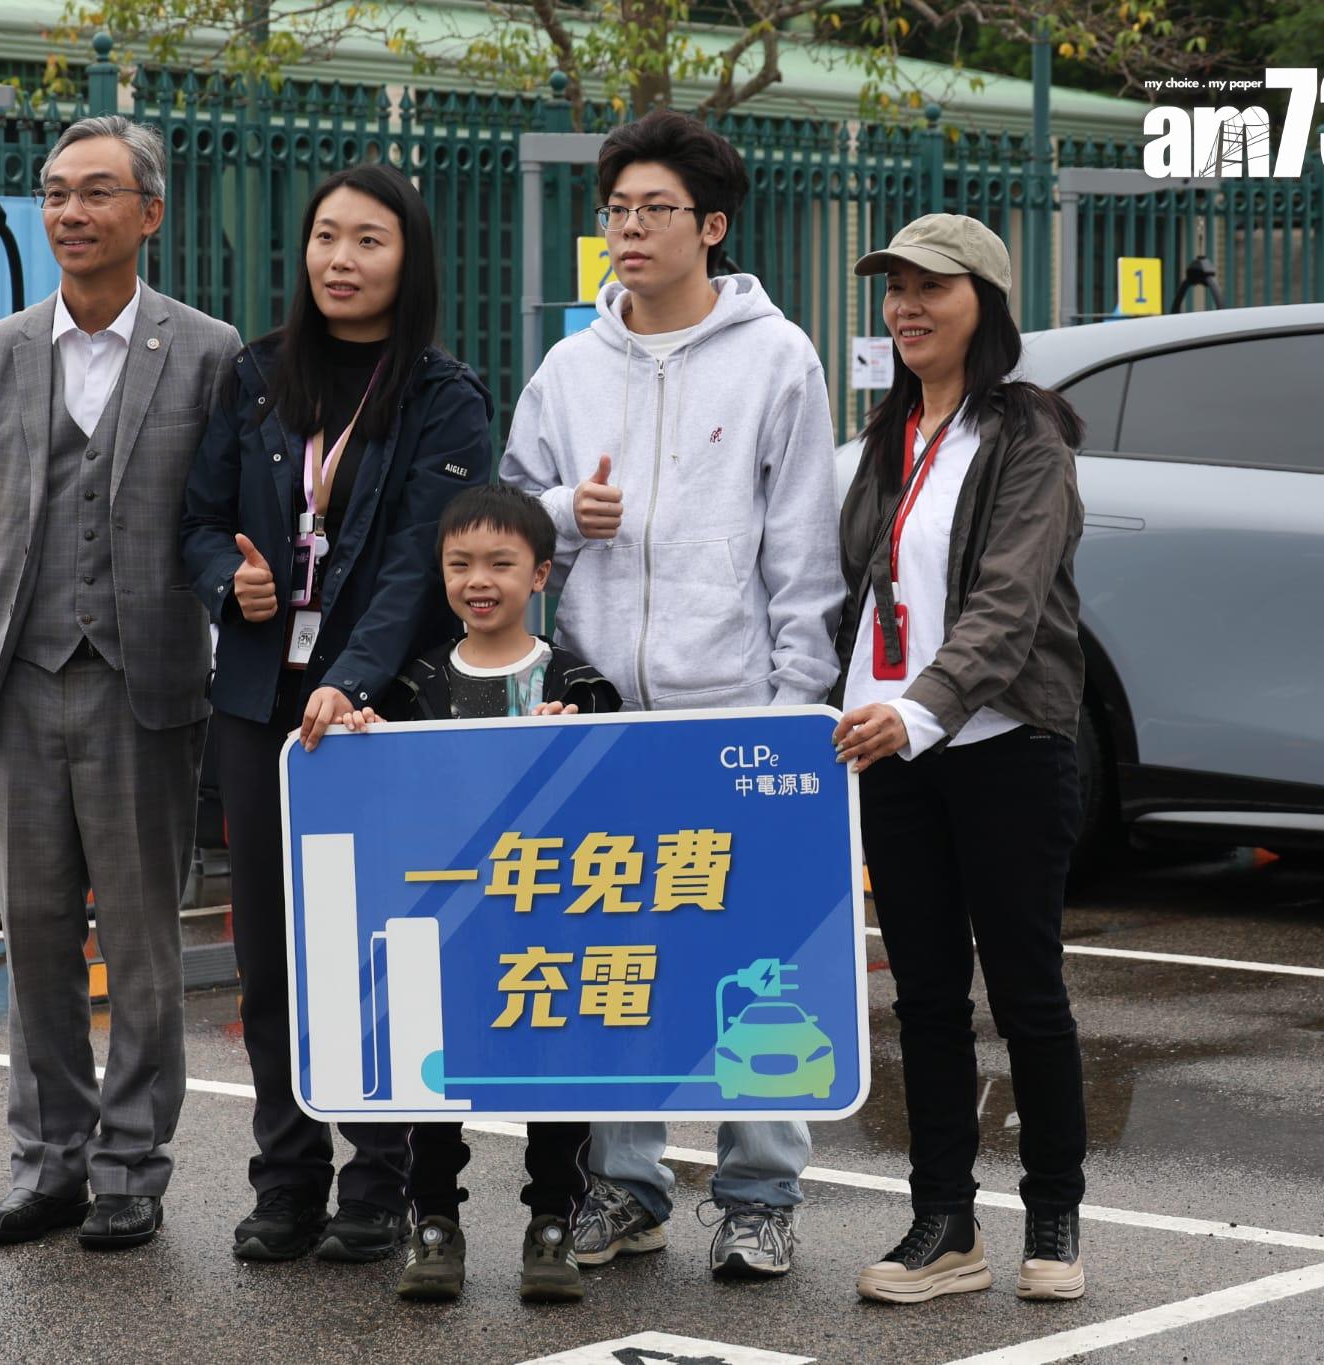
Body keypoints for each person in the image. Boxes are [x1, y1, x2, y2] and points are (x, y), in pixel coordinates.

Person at [500, 108, 843, 1280]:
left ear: (710, 226)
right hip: (597, 709)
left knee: (755, 958)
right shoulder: (565, 368)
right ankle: (629, 1187)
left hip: (733, 710)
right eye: (615, 211)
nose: (627, 230)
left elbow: (801, 552)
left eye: (652, 210)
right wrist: (559, 519)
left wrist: (796, 710)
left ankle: (758, 1194)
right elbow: (500, 528)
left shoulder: (775, 359)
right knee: (620, 956)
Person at [180, 162, 494, 1265]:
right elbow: (199, 519)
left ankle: (379, 1175)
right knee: (269, 955)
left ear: (407, 260)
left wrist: (349, 681)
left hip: (379, 718)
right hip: (261, 708)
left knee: (383, 950)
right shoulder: (256, 376)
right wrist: (230, 579)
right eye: (325, 238)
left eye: (368, 240)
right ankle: (286, 1175)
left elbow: (418, 568)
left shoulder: (443, 396)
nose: (341, 260)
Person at [0, 115, 239, 1250]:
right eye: (55, 193)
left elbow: (214, 515)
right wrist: (30, 621)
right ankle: (48, 1161)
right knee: (31, 937)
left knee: (142, 943)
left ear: (148, 214)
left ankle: (130, 1167)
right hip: (21, 679)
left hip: (147, 682)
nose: (70, 212)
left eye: (97, 193)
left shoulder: (206, 353)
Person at [833, 213, 1090, 1304]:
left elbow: (1007, 603)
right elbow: (848, 595)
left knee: (1026, 992)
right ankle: (941, 1229)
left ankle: (1052, 1222)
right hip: (886, 752)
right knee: (926, 999)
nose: (905, 306)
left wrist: (922, 706)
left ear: (982, 302)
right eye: (893, 288)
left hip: (997, 746)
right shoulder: (882, 438)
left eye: (930, 287)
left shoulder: (1024, 434)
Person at [326, 483, 620, 1304]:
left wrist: (576, 741)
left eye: (500, 562)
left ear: (542, 575)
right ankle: (433, 1223)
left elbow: (622, 791)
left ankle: (553, 1219)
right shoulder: (410, 681)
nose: (478, 579)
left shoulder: (579, 682)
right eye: (459, 564)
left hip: (548, 921)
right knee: (434, 1079)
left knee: (554, 1074)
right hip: (440, 922)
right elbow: (376, 784)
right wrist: (360, 733)